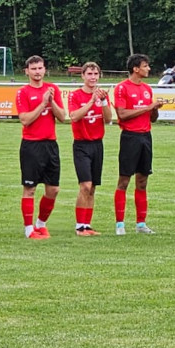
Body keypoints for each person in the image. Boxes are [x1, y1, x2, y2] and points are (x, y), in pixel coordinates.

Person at [16, 55, 68, 239]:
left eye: (40, 68)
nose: (37, 72)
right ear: (27, 71)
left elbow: (62, 117)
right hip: (31, 145)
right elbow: (25, 120)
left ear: (45, 69)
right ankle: (28, 229)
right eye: (33, 69)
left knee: (53, 189)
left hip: (50, 144)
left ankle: (41, 224)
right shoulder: (23, 92)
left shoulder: (53, 89)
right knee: (30, 188)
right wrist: (42, 103)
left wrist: (51, 101)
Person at [113, 54, 163, 236]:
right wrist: (148, 108)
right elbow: (122, 114)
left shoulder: (147, 89)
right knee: (124, 181)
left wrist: (154, 110)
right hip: (130, 137)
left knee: (142, 181)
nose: (148, 69)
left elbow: (152, 118)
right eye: (145, 66)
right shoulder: (122, 88)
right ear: (135, 69)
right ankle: (120, 224)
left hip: (146, 137)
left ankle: (141, 224)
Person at [69, 62, 113, 235]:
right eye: (89, 74)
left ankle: (87, 225)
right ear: (83, 76)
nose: (93, 77)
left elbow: (108, 119)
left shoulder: (102, 95)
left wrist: (103, 101)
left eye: (95, 74)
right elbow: (74, 116)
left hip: (97, 145)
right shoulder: (75, 95)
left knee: (92, 187)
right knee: (85, 186)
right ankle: (79, 226)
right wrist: (91, 101)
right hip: (81, 145)